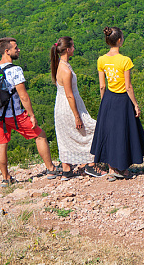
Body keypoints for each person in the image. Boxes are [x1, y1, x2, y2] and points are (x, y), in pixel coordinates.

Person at [0, 37, 59, 185]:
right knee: (40, 135)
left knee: (1, 145)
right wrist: (32, 115)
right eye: (16, 48)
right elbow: (24, 96)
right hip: (15, 115)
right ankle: (51, 168)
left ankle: (5, 178)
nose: (18, 50)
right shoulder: (15, 70)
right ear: (7, 51)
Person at [92, 27, 144, 181]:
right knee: (123, 132)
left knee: (110, 132)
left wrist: (104, 102)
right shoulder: (125, 60)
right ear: (119, 41)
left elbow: (102, 85)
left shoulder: (101, 60)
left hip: (109, 98)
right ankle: (123, 169)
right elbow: (128, 86)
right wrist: (135, 104)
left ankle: (111, 169)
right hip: (123, 99)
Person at [50, 37, 103, 180]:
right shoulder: (65, 70)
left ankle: (67, 169)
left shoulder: (60, 65)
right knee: (93, 129)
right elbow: (69, 95)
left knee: (66, 136)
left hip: (60, 105)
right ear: (68, 49)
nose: (74, 48)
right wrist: (77, 116)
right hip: (69, 106)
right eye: (73, 46)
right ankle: (90, 164)